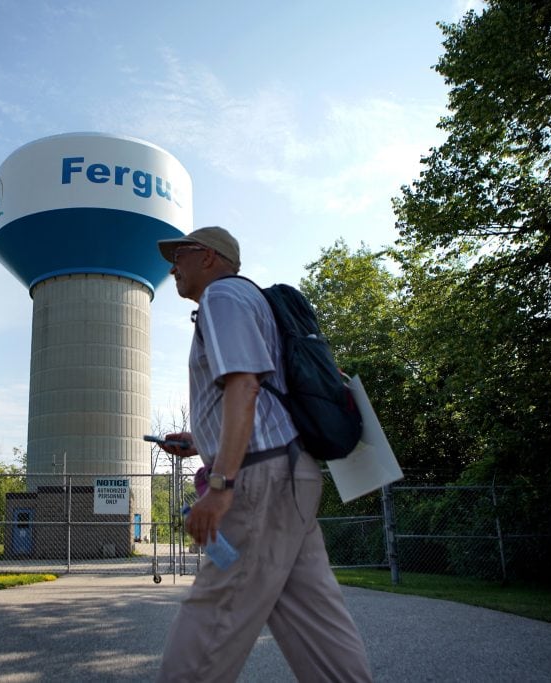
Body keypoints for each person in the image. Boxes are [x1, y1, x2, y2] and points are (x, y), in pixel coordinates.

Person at [154, 227, 373, 683]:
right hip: (288, 474)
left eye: (180, 255)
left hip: (257, 484)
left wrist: (220, 485)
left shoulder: (221, 298)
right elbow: (261, 397)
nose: (172, 266)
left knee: (213, 615)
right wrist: (200, 440)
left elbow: (246, 385)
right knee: (317, 624)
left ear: (209, 258)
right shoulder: (248, 302)